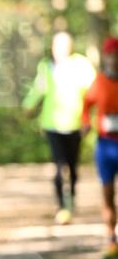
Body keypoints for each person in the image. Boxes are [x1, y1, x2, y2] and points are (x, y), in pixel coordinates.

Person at [22, 32, 95, 224]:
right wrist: (28, 106)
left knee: (72, 166)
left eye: (63, 45)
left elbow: (92, 93)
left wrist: (88, 119)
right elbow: (38, 89)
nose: (59, 50)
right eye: (56, 45)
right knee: (59, 166)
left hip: (75, 124)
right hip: (52, 124)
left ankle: (72, 198)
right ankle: (62, 206)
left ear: (70, 47)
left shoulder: (81, 64)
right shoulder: (46, 66)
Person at [81, 36, 118, 259]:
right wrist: (85, 123)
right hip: (105, 145)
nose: (113, 59)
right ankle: (112, 238)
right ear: (105, 57)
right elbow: (86, 104)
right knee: (108, 193)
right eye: (110, 55)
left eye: (116, 55)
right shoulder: (100, 81)